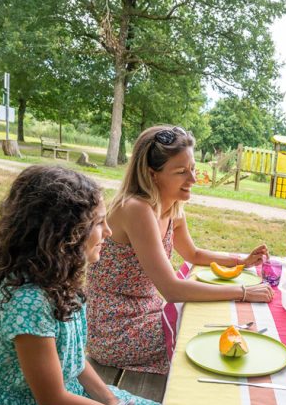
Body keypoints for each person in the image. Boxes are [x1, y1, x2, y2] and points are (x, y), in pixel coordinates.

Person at [0, 166, 161, 405]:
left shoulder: (61, 281)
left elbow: (72, 360)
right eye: (99, 223)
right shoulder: (28, 303)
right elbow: (52, 399)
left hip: (62, 404)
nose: (109, 232)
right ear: (66, 233)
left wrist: (111, 402)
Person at [86, 125, 273, 375]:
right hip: (115, 330)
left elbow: (193, 254)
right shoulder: (136, 209)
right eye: (181, 172)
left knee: (219, 329)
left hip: (149, 312)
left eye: (193, 168)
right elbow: (172, 290)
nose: (193, 179)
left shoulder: (172, 205)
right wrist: (243, 292)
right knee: (211, 340)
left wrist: (242, 261)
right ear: (153, 174)